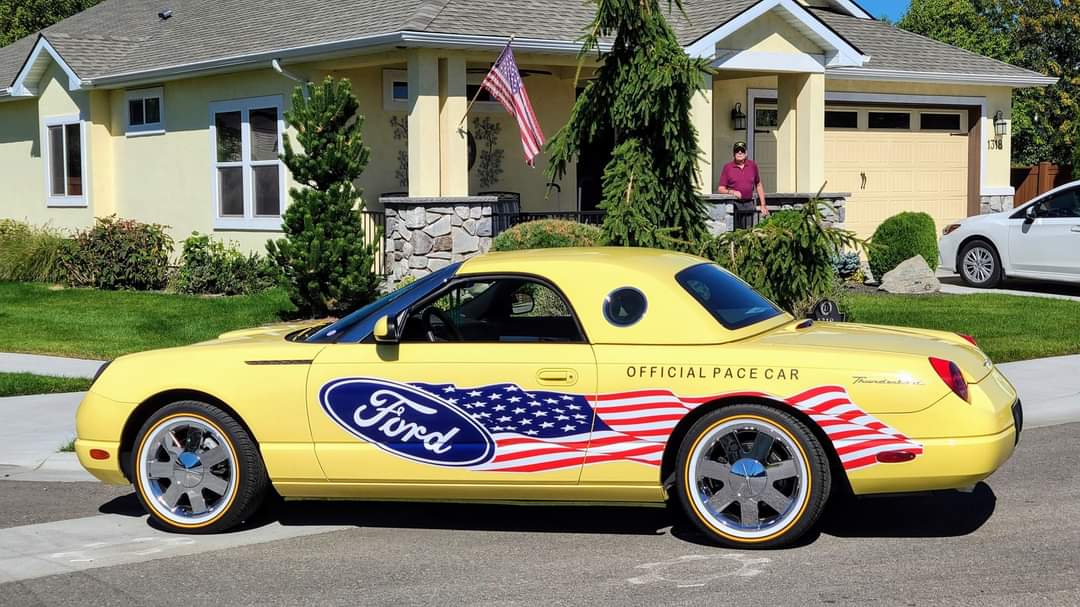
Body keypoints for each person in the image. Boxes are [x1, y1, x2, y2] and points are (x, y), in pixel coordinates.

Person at [717, 141, 768, 228]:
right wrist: (732, 192)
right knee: (735, 233)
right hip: (734, 205)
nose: (740, 152)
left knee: (749, 232)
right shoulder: (728, 167)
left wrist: (763, 205)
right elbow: (721, 189)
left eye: (742, 151)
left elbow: (758, 185)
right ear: (734, 153)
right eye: (737, 151)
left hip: (749, 204)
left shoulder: (752, 166)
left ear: (746, 153)